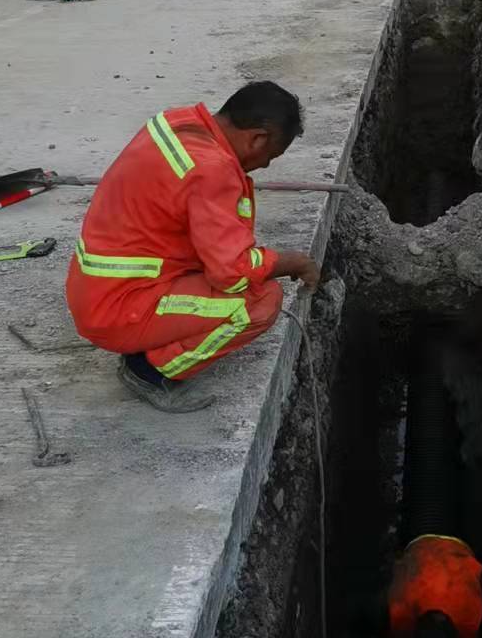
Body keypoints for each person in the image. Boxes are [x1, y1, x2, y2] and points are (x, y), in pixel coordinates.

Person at [66, 81, 320, 413]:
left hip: (97, 289)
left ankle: (147, 343)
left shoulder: (176, 122)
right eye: (270, 156)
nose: (266, 166)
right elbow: (232, 272)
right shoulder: (211, 170)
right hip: (119, 307)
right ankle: (148, 370)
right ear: (257, 138)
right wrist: (293, 263)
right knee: (260, 300)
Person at [387, 534, 482, 638]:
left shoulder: (470, 614)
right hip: (417, 541)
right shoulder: (400, 607)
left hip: (460, 546)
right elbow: (398, 568)